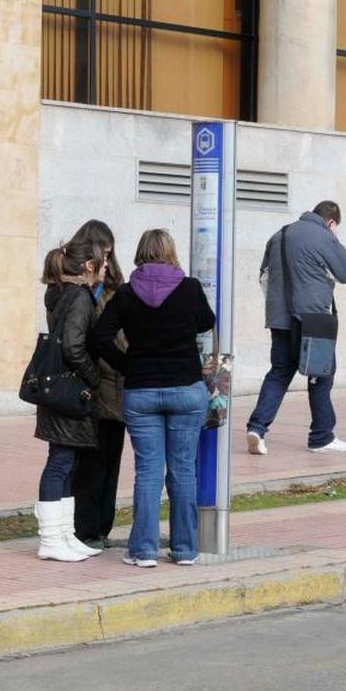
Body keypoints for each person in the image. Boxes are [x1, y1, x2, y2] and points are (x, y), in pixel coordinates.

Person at [91, 229, 215, 567]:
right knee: (183, 471)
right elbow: (208, 321)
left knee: (147, 471)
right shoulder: (189, 288)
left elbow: (101, 335)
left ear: (140, 254)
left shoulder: (127, 293)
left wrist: (126, 364)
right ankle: (186, 549)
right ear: (171, 252)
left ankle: (144, 550)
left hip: (141, 390)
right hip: (187, 389)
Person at [246, 201, 346, 455]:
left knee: (280, 371)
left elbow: (264, 276)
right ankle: (321, 436)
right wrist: (333, 239)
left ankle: (257, 428)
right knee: (321, 375)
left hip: (279, 317)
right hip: (313, 318)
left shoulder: (279, 234)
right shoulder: (324, 236)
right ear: (331, 222)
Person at [34, 238, 107, 562]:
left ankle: (64, 533)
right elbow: (73, 347)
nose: (107, 268)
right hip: (69, 390)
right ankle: (51, 538)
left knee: (67, 461)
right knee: (60, 462)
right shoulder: (78, 297)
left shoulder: (60, 293)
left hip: (59, 390)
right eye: (103, 262)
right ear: (88, 266)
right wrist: (93, 378)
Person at [69, 220, 127, 550]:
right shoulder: (74, 291)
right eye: (100, 255)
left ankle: (101, 527)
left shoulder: (115, 290)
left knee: (109, 461)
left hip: (114, 386)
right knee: (88, 465)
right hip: (89, 386)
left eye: (109, 255)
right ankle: (86, 528)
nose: (106, 262)